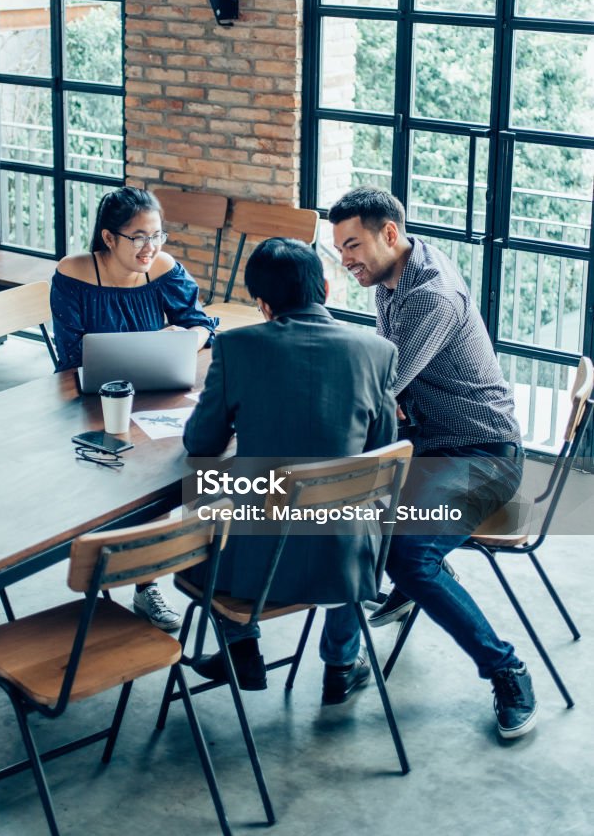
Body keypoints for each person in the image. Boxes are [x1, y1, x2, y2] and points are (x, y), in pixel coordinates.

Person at [328, 186, 536, 739]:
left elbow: (381, 386)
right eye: (340, 248)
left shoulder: (429, 295)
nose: (345, 260)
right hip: (427, 444)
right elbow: (385, 382)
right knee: (346, 513)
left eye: (352, 246)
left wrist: (374, 394)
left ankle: (506, 669)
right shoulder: (393, 275)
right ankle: (341, 663)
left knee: (408, 553)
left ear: (389, 234)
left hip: (484, 455)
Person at [183, 237, 399, 705]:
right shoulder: (376, 352)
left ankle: (243, 646)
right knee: (356, 508)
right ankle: (341, 665)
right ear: (323, 286)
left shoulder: (236, 347)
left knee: (199, 521)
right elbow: (381, 453)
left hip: (254, 568)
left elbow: (201, 444)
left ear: (262, 304)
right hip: (345, 561)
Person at [51, 186, 218, 632]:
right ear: (109, 238)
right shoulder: (73, 273)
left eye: (158, 235)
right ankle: (107, 574)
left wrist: (185, 344)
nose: (152, 247)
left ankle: (147, 584)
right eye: (139, 237)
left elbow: (201, 323)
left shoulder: (162, 269)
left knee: (167, 470)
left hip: (155, 396)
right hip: (89, 401)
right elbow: (70, 358)